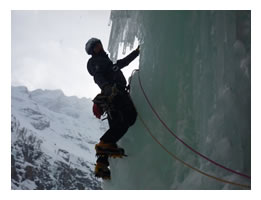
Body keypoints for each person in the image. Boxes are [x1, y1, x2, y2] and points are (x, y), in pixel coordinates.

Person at [85, 38, 140, 179]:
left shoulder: (107, 63)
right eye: (96, 46)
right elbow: (98, 76)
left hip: (112, 96)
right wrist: (107, 88)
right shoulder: (96, 62)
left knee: (115, 128)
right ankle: (103, 143)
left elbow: (122, 63)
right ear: (92, 51)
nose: (100, 46)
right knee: (129, 118)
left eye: (99, 44)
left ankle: (101, 165)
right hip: (115, 93)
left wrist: (136, 52)